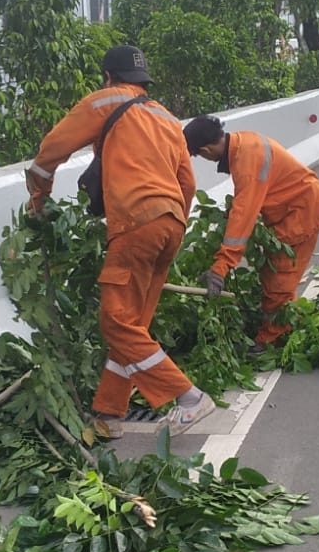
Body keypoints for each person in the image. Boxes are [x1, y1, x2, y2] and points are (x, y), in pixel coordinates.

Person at [25, 45, 217, 439]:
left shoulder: (105, 100)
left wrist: (38, 199)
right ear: (144, 81)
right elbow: (188, 184)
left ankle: (189, 397)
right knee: (132, 324)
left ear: (109, 77)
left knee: (114, 323)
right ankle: (109, 413)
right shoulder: (166, 117)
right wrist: (170, 220)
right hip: (172, 223)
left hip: (136, 221)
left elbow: (50, 151)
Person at [183, 114, 319, 351]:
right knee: (272, 273)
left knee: (279, 279)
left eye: (200, 155)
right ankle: (290, 323)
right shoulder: (243, 144)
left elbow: (244, 216)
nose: (205, 158)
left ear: (206, 148)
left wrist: (221, 267)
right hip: (294, 208)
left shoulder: (246, 162)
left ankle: (272, 339)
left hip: (302, 212)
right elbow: (245, 204)